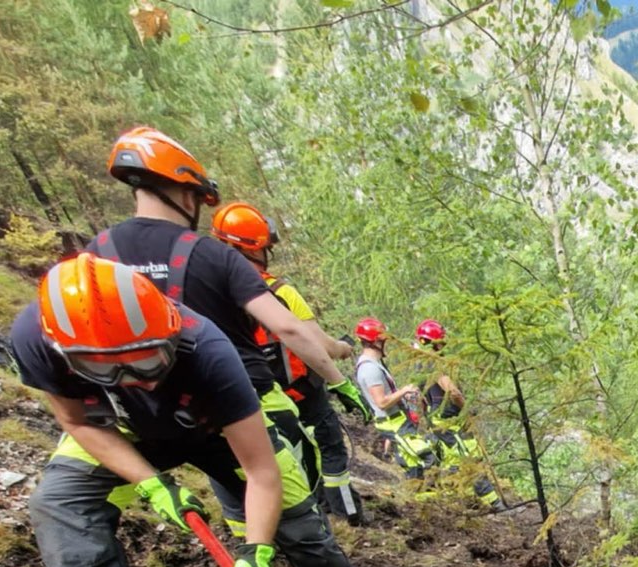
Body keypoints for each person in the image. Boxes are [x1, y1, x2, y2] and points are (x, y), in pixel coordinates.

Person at [16, 255, 405, 567]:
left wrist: (257, 548)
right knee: (60, 504)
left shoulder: (208, 350)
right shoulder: (36, 340)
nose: (137, 379)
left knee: (298, 518)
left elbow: (262, 472)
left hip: (215, 426)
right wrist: (152, 483)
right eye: (111, 369)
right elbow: (75, 420)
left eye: (146, 360)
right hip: (118, 430)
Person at [91, 127, 366, 486]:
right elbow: (293, 330)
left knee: (233, 495)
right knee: (294, 495)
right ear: (188, 197)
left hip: (145, 410)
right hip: (242, 401)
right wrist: (340, 380)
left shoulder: (96, 254)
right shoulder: (219, 260)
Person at [210, 200, 366, 525]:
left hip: (253, 400)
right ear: (258, 248)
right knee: (331, 453)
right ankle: (351, 518)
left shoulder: (209, 292)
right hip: (304, 392)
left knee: (286, 460)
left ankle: (314, 514)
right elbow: (316, 342)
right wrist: (342, 353)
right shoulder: (278, 291)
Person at [413, 319, 501, 508]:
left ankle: (464, 500)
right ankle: (496, 505)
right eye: (441, 341)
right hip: (450, 421)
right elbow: (453, 391)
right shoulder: (434, 364)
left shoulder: (419, 364)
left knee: (451, 462)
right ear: (435, 342)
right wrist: (467, 409)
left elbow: (421, 397)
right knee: (471, 460)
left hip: (437, 421)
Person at [354, 317, 438, 479]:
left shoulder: (375, 364)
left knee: (412, 466)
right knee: (428, 456)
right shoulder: (370, 369)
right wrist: (404, 390)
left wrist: (404, 394)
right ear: (375, 341)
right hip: (393, 423)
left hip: (398, 420)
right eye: (383, 339)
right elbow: (382, 402)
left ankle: (420, 498)